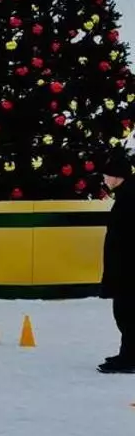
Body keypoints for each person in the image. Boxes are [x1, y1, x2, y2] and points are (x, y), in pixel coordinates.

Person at [99, 155, 135, 373]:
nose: (104, 179)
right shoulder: (127, 195)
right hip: (125, 265)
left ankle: (130, 358)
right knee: (125, 311)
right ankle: (127, 354)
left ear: (116, 176)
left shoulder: (129, 198)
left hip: (128, 267)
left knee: (127, 312)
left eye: (106, 174)